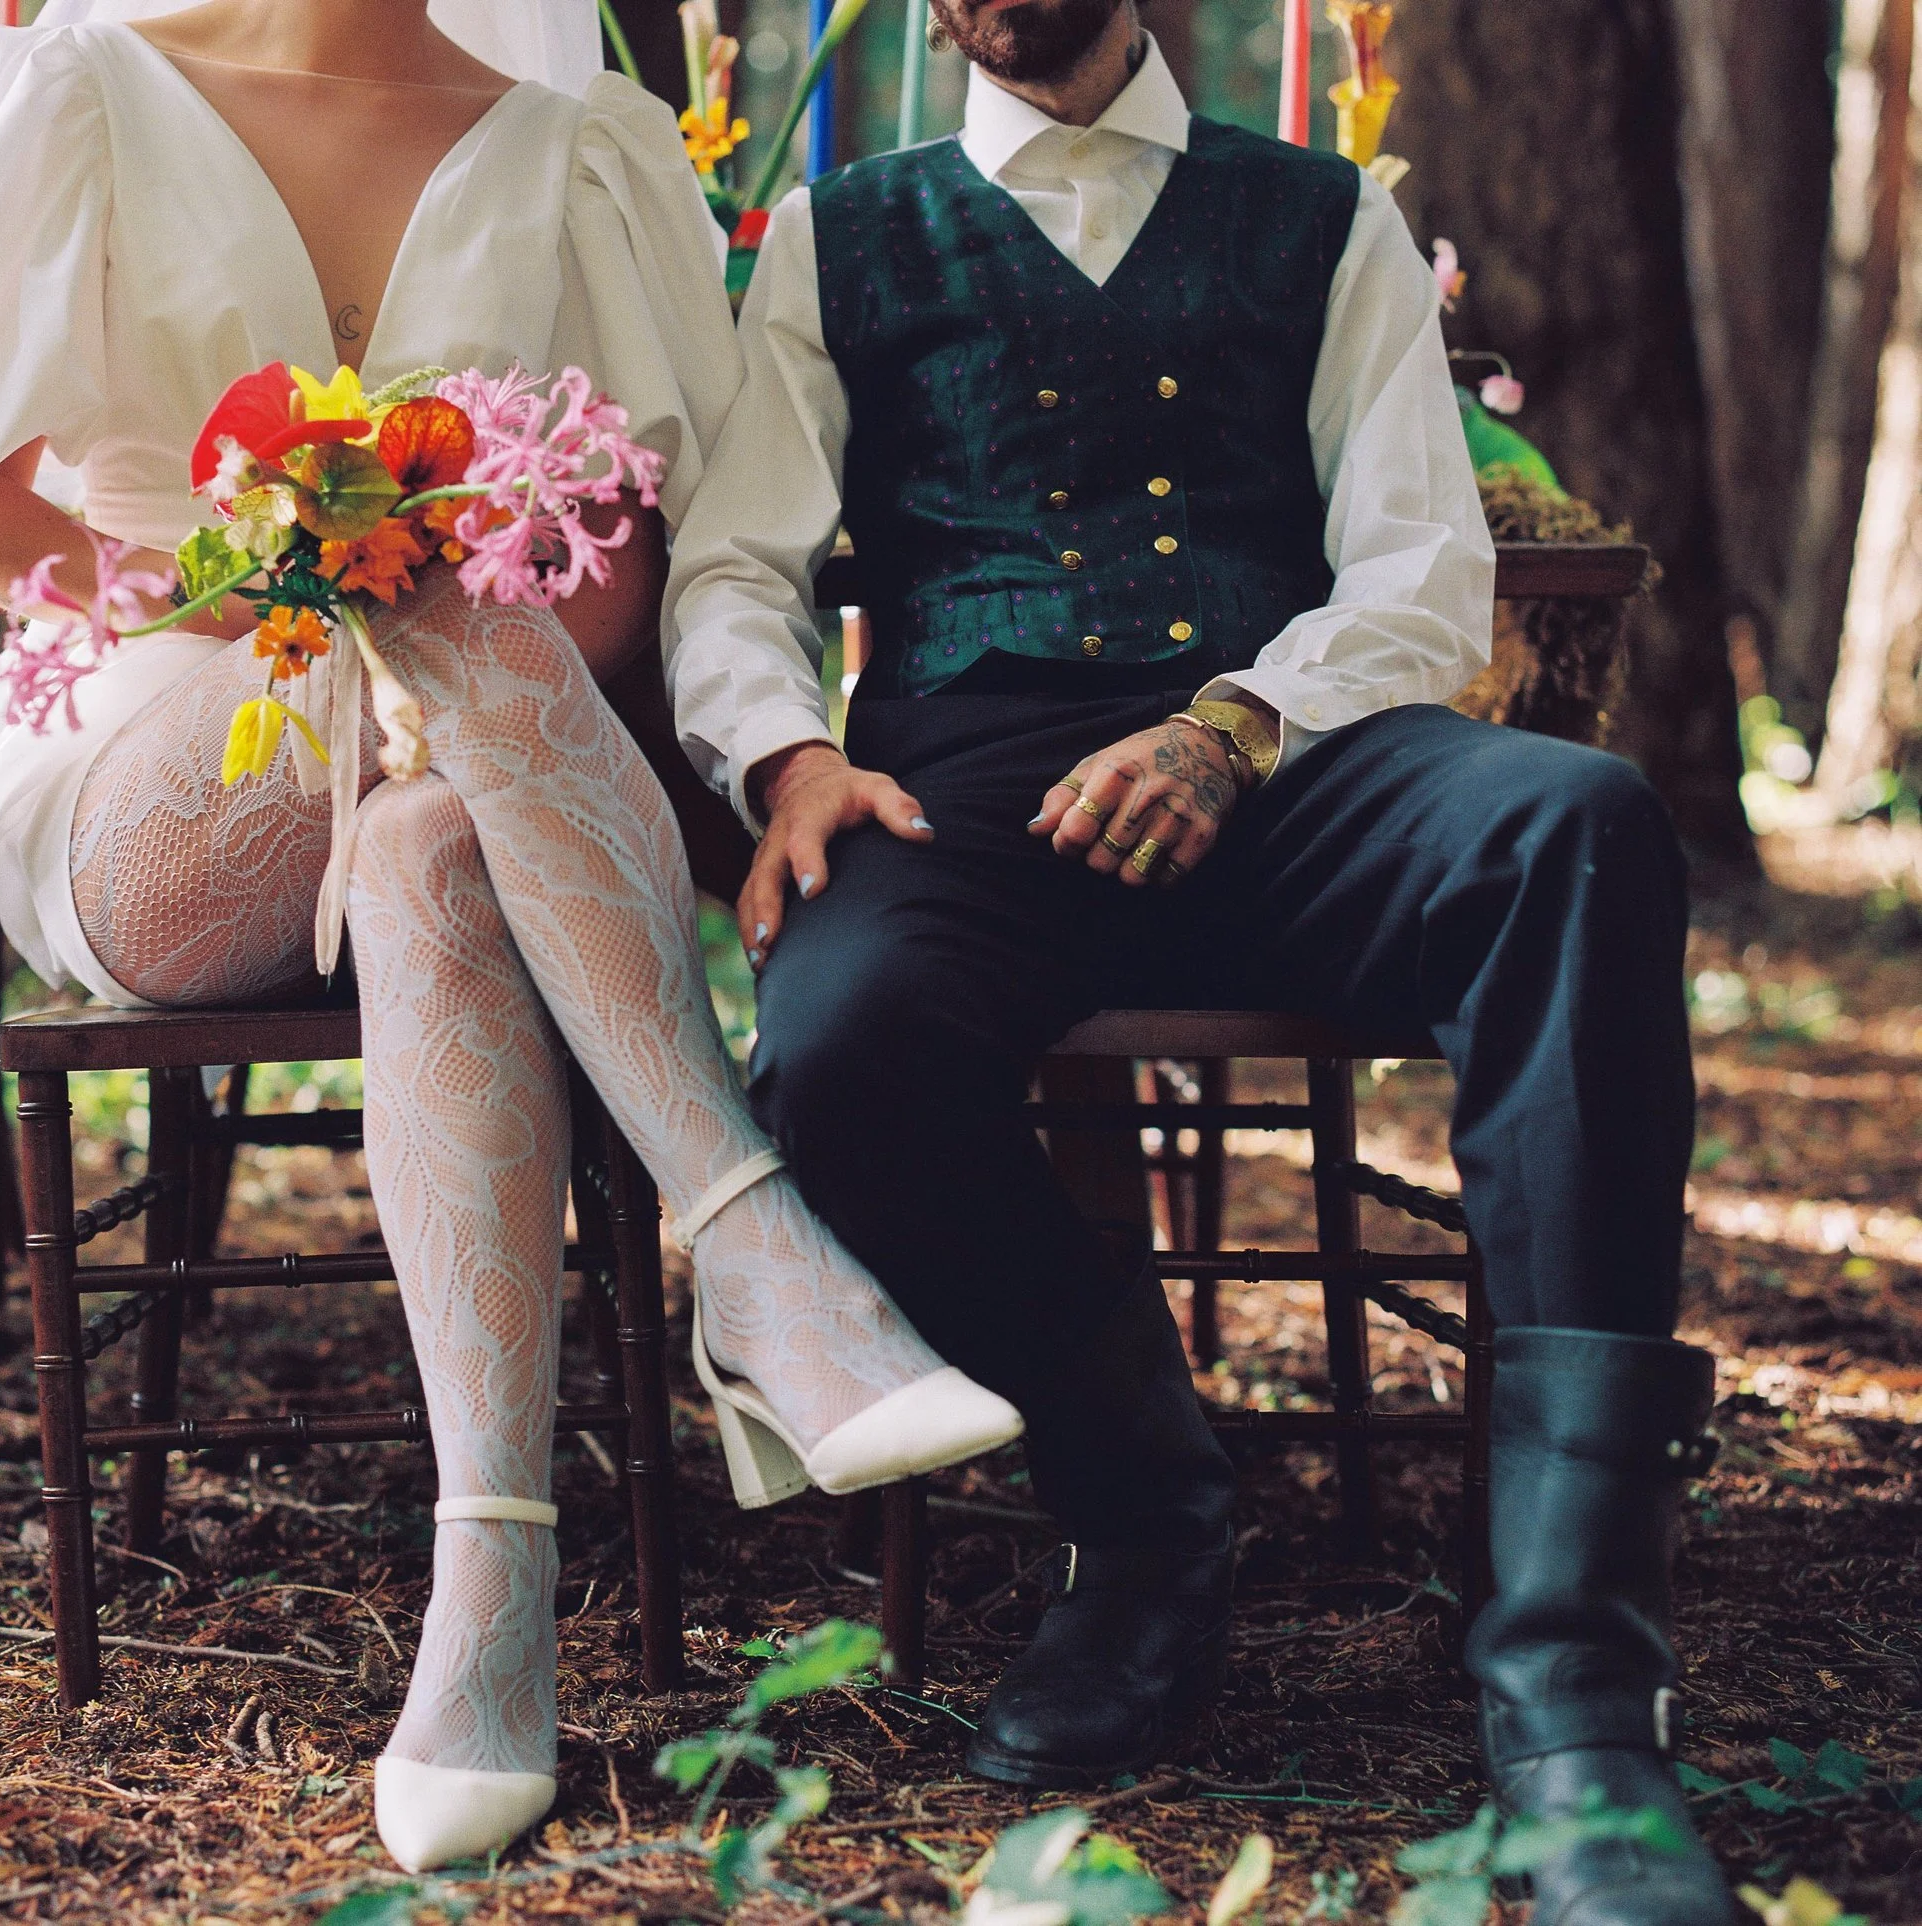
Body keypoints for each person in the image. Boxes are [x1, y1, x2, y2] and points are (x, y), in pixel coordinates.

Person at [0, 0, 1022, 1875]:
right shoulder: (74, 92)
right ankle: (757, 1246)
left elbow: (613, 569)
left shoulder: (574, 143)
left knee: (442, 831)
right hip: (158, 746)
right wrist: (288, 576)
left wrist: (426, 584)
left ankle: (491, 1605)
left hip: (459, 768)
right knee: (410, 594)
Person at [664, 2, 1729, 1920]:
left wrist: (1231, 730)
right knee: (838, 1037)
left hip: (1286, 756)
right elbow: (737, 556)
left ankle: (1577, 1686)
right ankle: (1147, 1522)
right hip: (971, 785)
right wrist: (788, 749)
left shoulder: (1324, 220)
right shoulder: (844, 232)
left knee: (1577, 826)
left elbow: (1419, 568)